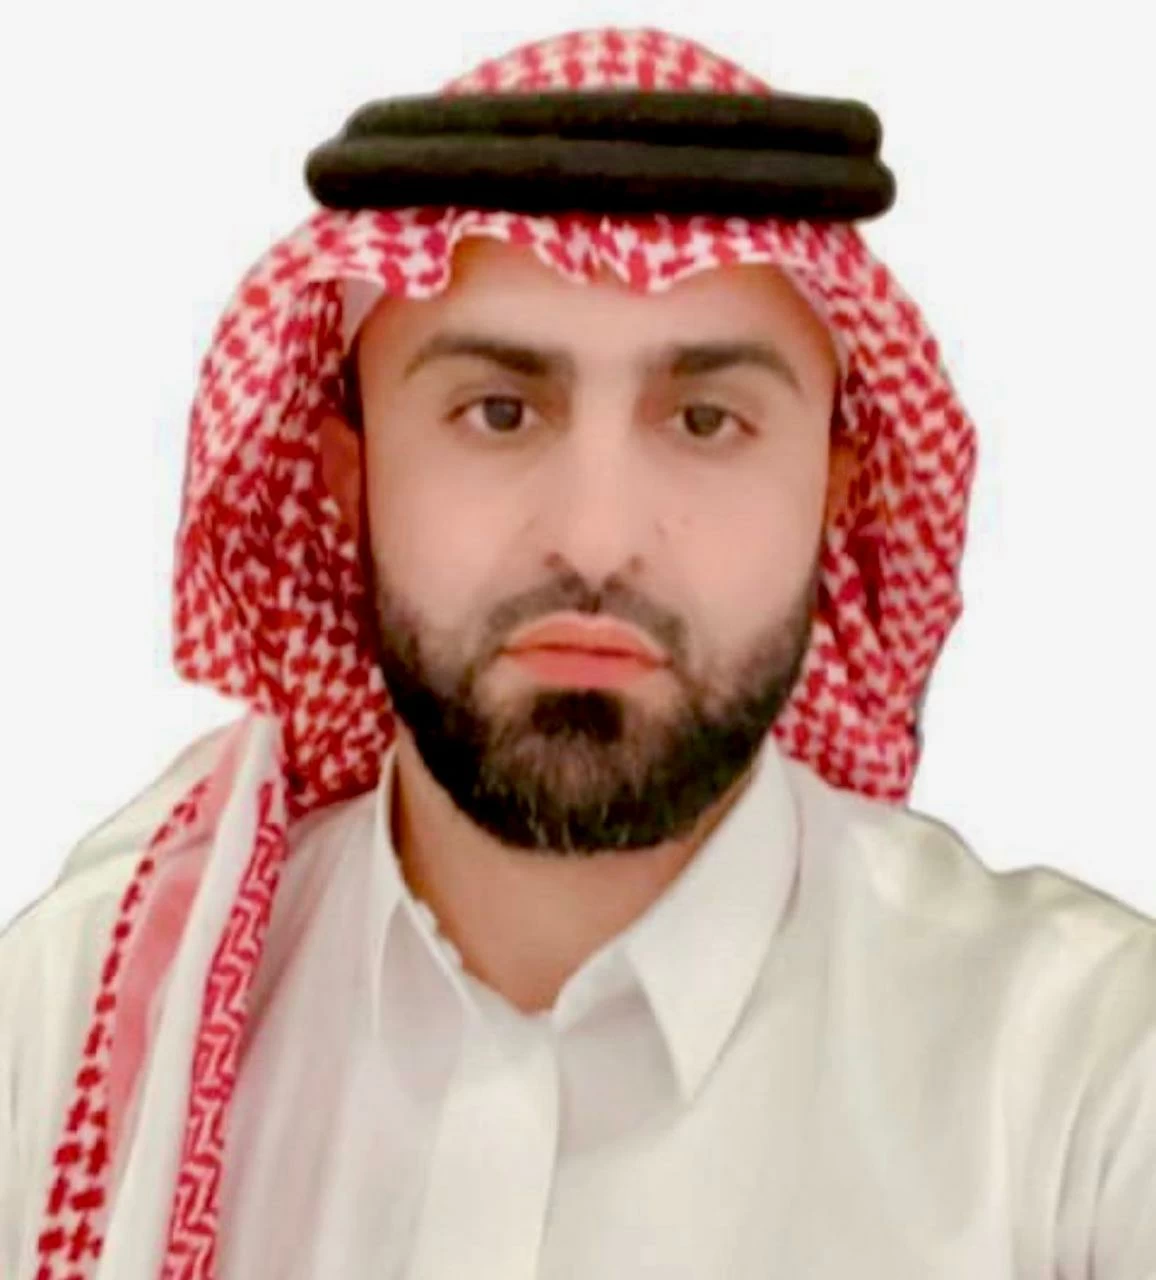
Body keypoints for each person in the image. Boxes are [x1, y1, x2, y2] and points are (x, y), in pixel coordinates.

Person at [2, 25, 1153, 1280]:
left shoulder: (1084, 1084)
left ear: (837, 490)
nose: (597, 539)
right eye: (498, 411)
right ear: (347, 474)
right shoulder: (74, 1023)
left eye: (705, 419)